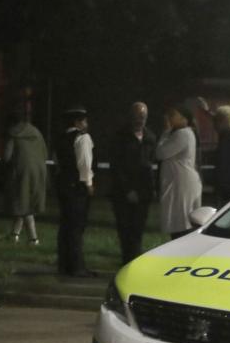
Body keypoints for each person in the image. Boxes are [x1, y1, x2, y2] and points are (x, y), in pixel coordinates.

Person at [107, 102, 157, 264]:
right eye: (137, 116)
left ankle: (133, 263)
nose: (139, 120)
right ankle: (127, 261)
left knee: (138, 230)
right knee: (125, 230)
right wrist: (128, 190)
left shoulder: (150, 138)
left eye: (142, 116)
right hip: (123, 193)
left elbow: (151, 164)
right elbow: (116, 166)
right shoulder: (120, 137)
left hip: (144, 193)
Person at [54, 106, 95, 276]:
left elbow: (58, 162)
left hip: (63, 185)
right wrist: (89, 183)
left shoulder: (61, 138)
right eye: (84, 120)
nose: (86, 124)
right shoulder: (82, 138)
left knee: (65, 226)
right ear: (78, 122)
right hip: (77, 186)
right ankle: (77, 267)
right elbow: (84, 162)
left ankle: (64, 264)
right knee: (77, 227)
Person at [155, 102, 202, 239]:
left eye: (173, 115)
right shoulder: (181, 133)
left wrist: (165, 132)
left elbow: (161, 153)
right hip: (179, 183)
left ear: (184, 119)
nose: (169, 118)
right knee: (179, 218)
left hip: (181, 185)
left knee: (181, 220)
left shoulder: (183, 134)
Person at [2, 109, 47, 245]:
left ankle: (33, 238)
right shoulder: (37, 133)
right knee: (25, 202)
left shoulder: (13, 134)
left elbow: (7, 156)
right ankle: (14, 234)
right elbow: (44, 152)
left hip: (21, 172)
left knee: (23, 204)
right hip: (39, 171)